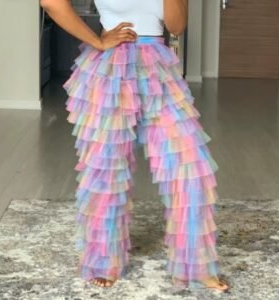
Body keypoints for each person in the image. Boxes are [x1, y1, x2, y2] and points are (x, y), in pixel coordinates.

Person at [40, 0, 230, 292]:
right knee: (107, 169)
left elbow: (176, 26)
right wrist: (97, 41)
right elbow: (51, 2)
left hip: (158, 68)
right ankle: (105, 261)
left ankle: (196, 265)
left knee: (191, 164)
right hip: (110, 70)